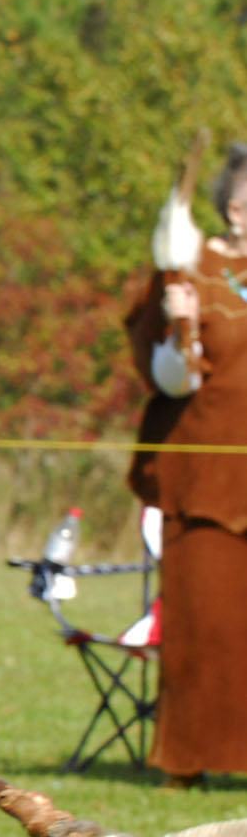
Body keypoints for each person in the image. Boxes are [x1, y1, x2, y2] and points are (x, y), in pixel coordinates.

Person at [127, 140, 247, 790]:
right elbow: (171, 380)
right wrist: (181, 328)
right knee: (206, 626)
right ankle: (187, 760)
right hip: (204, 480)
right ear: (233, 204)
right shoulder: (186, 269)